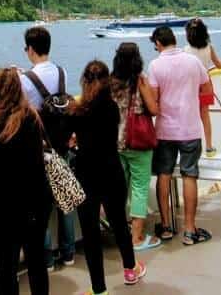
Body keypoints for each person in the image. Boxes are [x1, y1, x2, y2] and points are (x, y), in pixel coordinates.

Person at [0, 68, 50, 295]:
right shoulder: (32, 118)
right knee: (37, 263)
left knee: (7, 266)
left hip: (7, 204)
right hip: (36, 200)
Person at [72, 60, 147, 294]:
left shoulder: (78, 110)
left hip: (86, 173)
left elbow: (68, 136)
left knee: (91, 232)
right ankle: (130, 269)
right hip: (111, 170)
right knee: (118, 223)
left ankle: (99, 288)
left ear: (84, 81)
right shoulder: (111, 108)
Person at [147, 25, 213, 245]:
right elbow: (207, 89)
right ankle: (189, 229)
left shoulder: (155, 65)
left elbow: (154, 99)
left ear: (158, 43)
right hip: (190, 129)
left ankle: (166, 226)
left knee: (163, 175)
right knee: (189, 175)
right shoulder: (192, 61)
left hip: (165, 129)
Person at [19, 25, 76, 269]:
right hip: (62, 145)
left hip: (39, 148)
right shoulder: (62, 71)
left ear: (30, 49)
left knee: (38, 208)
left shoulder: (24, 79)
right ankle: (69, 253)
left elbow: (22, 110)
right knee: (66, 203)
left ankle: (47, 259)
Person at [109, 42, 161, 250]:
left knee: (119, 188)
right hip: (138, 142)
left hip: (115, 142)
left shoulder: (110, 83)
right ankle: (137, 238)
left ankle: (119, 232)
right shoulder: (140, 81)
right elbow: (154, 109)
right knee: (139, 188)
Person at [184, 18, 221, 157]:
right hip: (206, 84)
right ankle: (209, 146)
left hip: (191, 84)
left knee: (190, 116)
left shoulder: (186, 50)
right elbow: (219, 64)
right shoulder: (209, 47)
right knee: (205, 116)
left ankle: (191, 146)